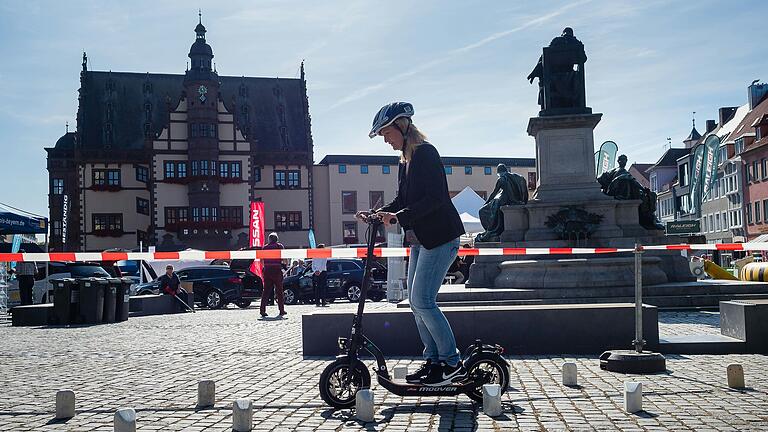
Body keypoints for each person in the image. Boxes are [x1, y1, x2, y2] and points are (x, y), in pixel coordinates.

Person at [362, 101, 467, 386]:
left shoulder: (426, 154)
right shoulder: (405, 161)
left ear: (402, 125)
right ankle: (433, 361)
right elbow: (403, 202)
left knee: (423, 300)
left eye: (386, 133)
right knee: (415, 304)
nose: (385, 139)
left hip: (441, 238)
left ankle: (452, 362)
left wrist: (398, 217)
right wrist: (378, 213)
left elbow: (434, 199)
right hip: (421, 240)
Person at [260, 233, 287, 318]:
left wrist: (264, 267)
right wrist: (284, 264)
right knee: (279, 291)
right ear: (277, 239)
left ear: (269, 239)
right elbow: (284, 258)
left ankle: (262, 310)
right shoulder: (279, 246)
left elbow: (261, 260)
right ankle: (281, 310)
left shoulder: (264, 247)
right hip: (276, 270)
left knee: (266, 291)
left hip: (267, 270)